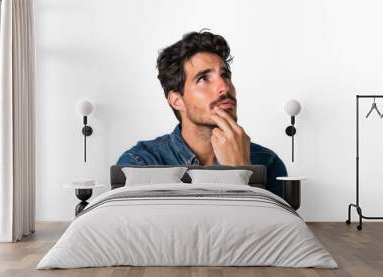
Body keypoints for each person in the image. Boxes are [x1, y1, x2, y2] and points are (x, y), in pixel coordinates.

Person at [117, 30, 287, 197]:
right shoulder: (140, 164)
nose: (224, 87)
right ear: (177, 100)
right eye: (203, 78)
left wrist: (242, 170)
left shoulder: (268, 163)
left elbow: (266, 226)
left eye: (225, 75)